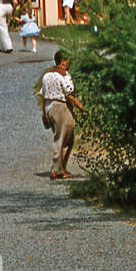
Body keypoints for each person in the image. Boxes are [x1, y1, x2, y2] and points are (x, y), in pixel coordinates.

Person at [41, 50, 86, 179]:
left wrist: (44, 113)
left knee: (64, 137)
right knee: (61, 138)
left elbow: (43, 95)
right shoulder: (64, 75)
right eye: (68, 61)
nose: (69, 64)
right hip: (60, 107)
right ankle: (57, 170)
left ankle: (60, 166)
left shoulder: (47, 76)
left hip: (50, 107)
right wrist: (81, 107)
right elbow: (70, 95)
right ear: (63, 61)